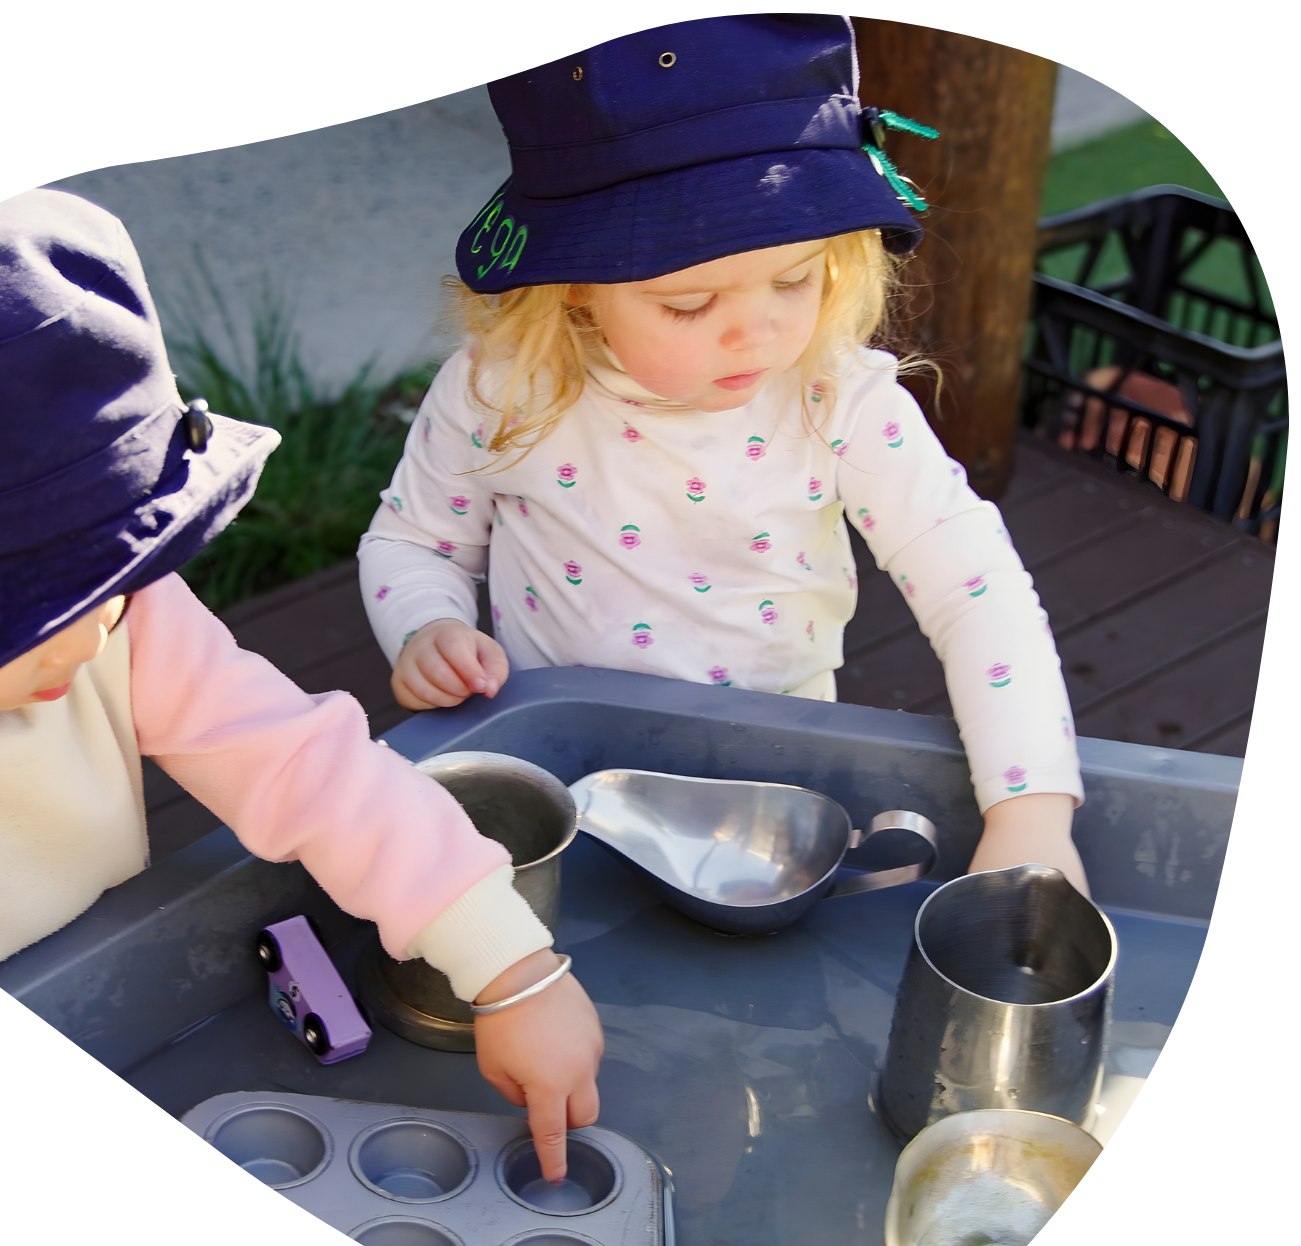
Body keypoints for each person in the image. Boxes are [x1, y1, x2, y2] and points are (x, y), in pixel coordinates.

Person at [0, 189, 603, 1181]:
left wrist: (512, 966)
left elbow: (305, 763)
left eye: (115, 575)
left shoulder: (125, 615)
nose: (103, 625)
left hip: (116, 1008)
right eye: (39, 609)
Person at [359, 16, 1088, 890]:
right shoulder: (503, 389)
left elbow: (979, 591)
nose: (759, 332)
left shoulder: (837, 398)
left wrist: (1031, 813)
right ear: (573, 289)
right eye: (689, 302)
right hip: (561, 781)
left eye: (795, 277)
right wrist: (428, 623)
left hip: (778, 794)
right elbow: (414, 542)